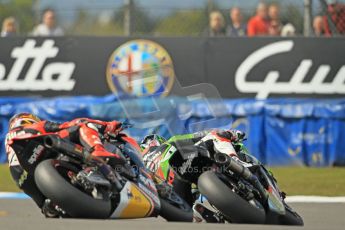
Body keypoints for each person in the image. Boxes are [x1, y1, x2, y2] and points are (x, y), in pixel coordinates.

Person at [5, 113, 125, 217]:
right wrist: (107, 125)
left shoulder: (10, 143)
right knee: (82, 124)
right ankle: (98, 151)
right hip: (42, 147)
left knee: (46, 207)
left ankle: (52, 206)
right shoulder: (32, 126)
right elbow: (65, 126)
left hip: (20, 174)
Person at [141, 129, 246, 222]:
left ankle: (208, 214)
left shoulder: (143, 168)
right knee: (217, 134)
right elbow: (203, 134)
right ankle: (237, 162)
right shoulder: (171, 142)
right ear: (157, 142)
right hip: (189, 163)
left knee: (193, 210)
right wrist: (231, 133)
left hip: (177, 196)